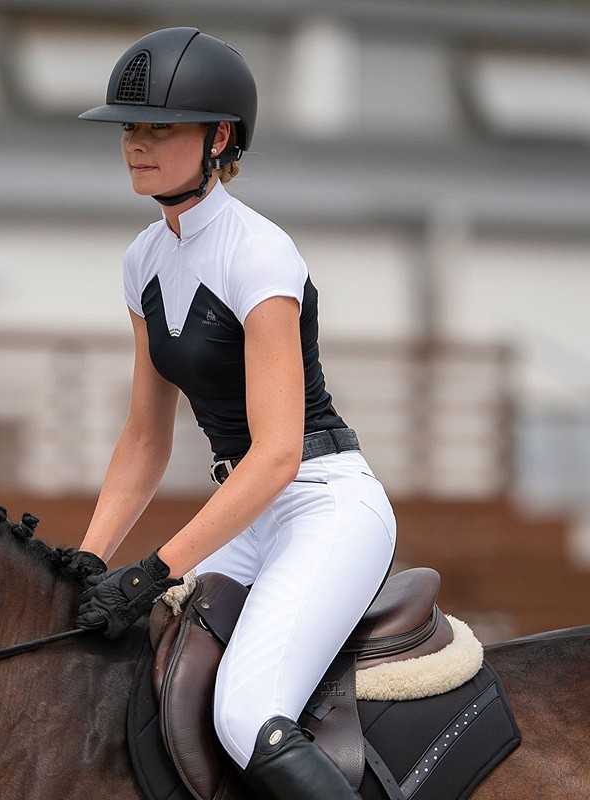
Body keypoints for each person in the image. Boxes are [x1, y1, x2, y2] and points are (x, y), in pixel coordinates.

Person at [71, 27, 398, 800]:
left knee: (247, 712)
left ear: (219, 137)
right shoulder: (143, 259)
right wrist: (86, 559)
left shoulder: (260, 254)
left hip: (324, 504)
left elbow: (280, 454)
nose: (136, 146)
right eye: (129, 128)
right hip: (247, 514)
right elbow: (146, 437)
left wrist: (155, 569)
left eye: (161, 128)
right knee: (151, 676)